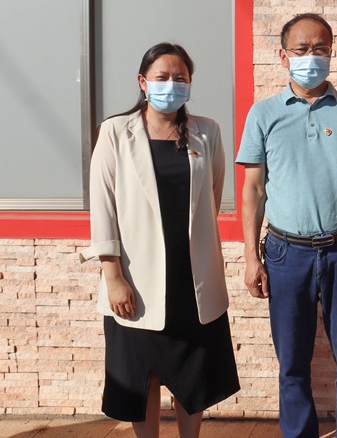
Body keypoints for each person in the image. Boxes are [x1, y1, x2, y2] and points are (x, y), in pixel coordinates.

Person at [79, 43, 239, 438]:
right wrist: (113, 276)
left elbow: (212, 196)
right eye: (162, 77)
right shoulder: (116, 132)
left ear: (190, 82)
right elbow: (103, 206)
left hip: (191, 274)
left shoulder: (207, 131)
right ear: (142, 82)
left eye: (180, 78)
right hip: (137, 275)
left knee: (193, 371)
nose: (171, 84)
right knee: (141, 374)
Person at [237, 13, 337, 438]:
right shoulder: (263, 114)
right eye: (301, 49)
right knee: (292, 363)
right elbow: (253, 189)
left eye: (320, 49)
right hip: (286, 253)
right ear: (283, 56)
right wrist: (250, 257)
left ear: (331, 53)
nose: (311, 57)